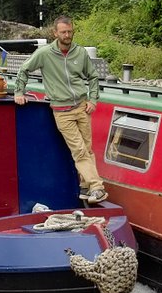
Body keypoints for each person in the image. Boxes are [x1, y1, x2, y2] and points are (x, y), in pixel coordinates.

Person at [14, 16, 107, 204]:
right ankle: (97, 187)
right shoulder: (45, 54)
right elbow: (23, 70)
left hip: (82, 107)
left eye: (70, 31)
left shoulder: (80, 53)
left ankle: (84, 187)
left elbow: (93, 77)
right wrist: (19, 92)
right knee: (79, 151)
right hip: (62, 111)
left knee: (87, 150)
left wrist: (93, 99)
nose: (67, 35)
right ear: (55, 33)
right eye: (63, 32)